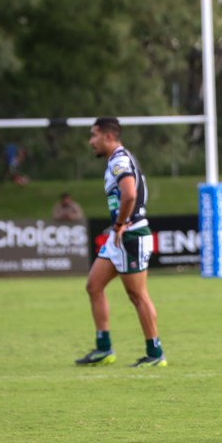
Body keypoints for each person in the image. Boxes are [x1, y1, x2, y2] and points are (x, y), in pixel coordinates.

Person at [75, 117, 166, 368]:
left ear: (108, 137)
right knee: (94, 286)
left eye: (94, 135)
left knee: (137, 295)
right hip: (120, 237)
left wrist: (119, 224)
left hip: (130, 235)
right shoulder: (117, 160)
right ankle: (104, 350)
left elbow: (130, 194)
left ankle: (155, 353)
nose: (90, 141)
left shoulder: (119, 160)